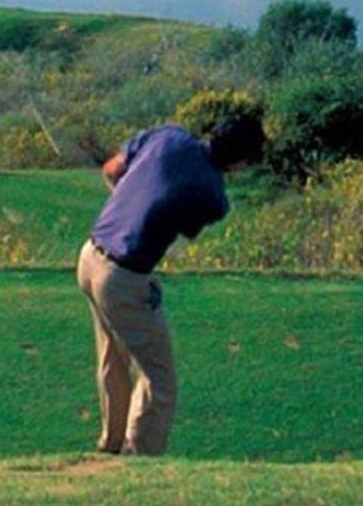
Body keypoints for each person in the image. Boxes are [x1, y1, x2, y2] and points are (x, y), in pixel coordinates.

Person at [75, 114, 264, 456]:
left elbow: (112, 170)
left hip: (89, 256)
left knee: (112, 356)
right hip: (121, 277)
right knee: (158, 379)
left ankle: (112, 444)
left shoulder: (168, 135)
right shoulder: (214, 197)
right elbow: (179, 222)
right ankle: (140, 458)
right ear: (241, 161)